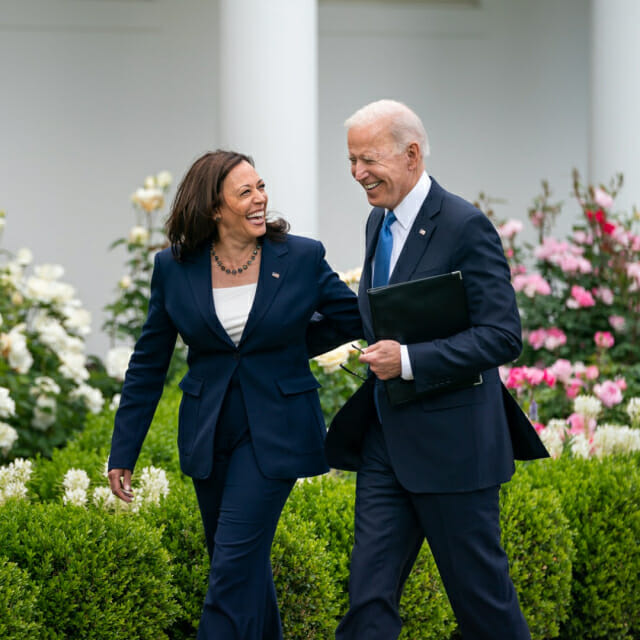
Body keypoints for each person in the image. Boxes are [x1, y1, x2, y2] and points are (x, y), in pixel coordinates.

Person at [107, 149, 362, 640]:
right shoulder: (174, 267)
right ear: (213, 208)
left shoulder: (301, 256)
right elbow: (148, 362)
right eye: (245, 192)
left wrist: (289, 348)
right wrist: (124, 451)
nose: (260, 198)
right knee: (239, 566)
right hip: (209, 432)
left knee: (229, 570)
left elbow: (349, 317)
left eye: (261, 187)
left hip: (277, 432)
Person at [334, 100, 533, 639]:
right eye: (351, 160)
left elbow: (501, 335)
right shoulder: (377, 220)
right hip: (385, 445)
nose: (357, 173)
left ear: (412, 154)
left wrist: (410, 360)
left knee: (484, 610)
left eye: (367, 159)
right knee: (366, 603)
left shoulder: (466, 225)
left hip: (455, 448)